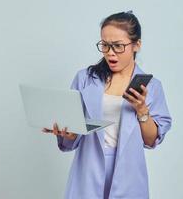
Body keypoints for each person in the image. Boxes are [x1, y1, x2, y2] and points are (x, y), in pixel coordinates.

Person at [42, 11, 172, 199]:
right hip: (88, 169)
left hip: (129, 174)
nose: (110, 53)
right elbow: (72, 137)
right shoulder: (85, 79)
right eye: (105, 45)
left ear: (137, 45)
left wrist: (141, 110)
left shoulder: (151, 86)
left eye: (118, 46)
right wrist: (68, 133)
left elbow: (151, 140)